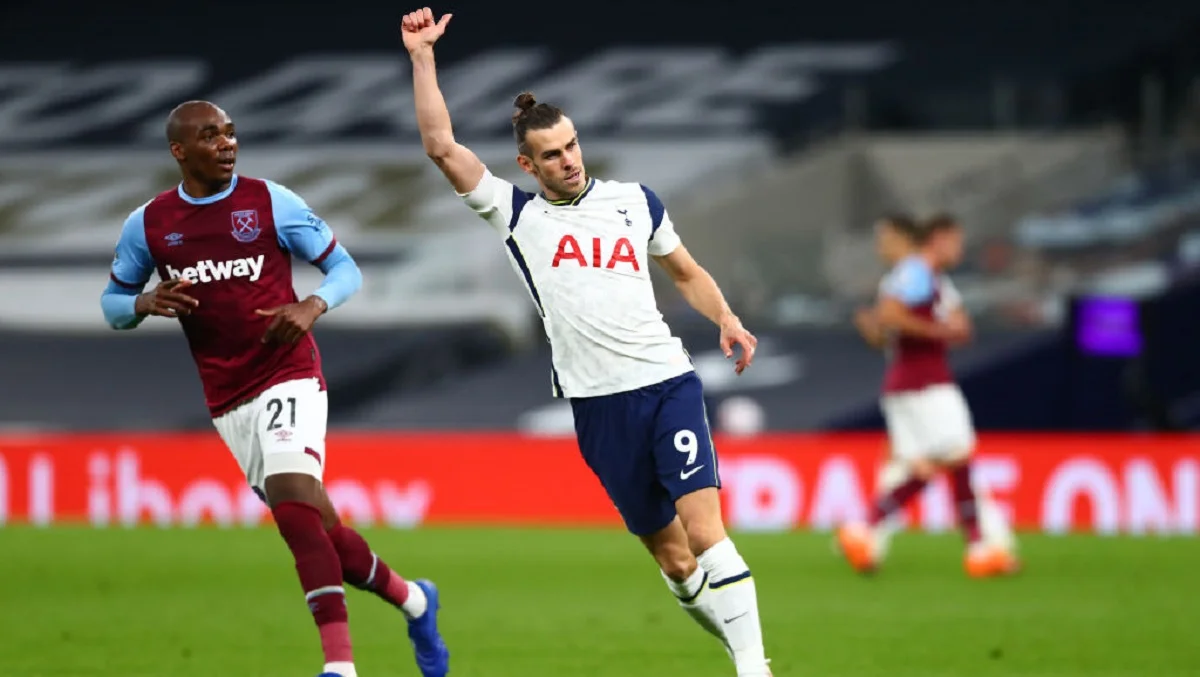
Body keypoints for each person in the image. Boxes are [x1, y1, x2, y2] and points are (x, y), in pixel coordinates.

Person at [401, 7, 772, 675]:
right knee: (674, 560)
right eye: (551, 154)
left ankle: (754, 668)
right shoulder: (517, 216)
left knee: (706, 532)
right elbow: (441, 147)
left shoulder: (635, 201)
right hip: (598, 407)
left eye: (571, 145)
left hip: (667, 384)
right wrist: (423, 57)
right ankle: (741, 649)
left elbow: (685, 272)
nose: (568, 160)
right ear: (527, 164)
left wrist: (725, 318)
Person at [99, 100, 449, 677]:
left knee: (291, 504)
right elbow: (112, 307)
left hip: (290, 372)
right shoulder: (150, 224)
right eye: (210, 136)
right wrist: (142, 302)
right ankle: (415, 601)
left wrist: (312, 304)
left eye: (231, 133)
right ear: (179, 151)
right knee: (321, 529)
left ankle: (340, 666)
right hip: (227, 397)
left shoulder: (271, 202)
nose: (227, 143)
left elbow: (346, 270)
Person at [841, 214, 1020, 578]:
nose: (960, 250)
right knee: (959, 457)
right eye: (956, 241)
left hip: (905, 384)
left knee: (923, 468)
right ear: (937, 238)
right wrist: (940, 330)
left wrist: (941, 327)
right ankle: (979, 548)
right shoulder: (915, 271)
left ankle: (866, 530)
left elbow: (947, 324)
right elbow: (894, 315)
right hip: (926, 383)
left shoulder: (918, 276)